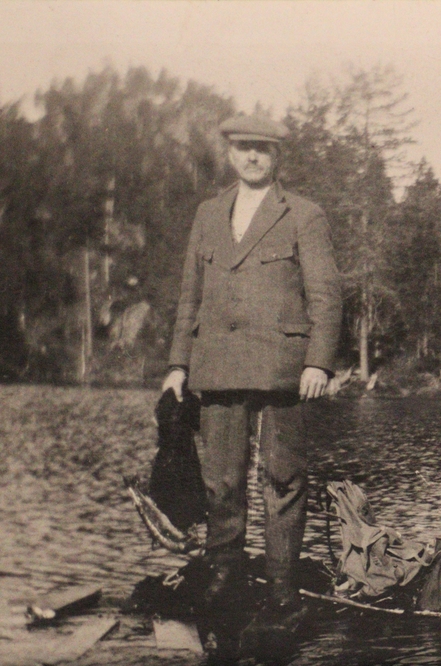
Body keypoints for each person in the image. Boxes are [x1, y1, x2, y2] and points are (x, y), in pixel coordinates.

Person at [161, 114, 342, 638]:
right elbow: (189, 296)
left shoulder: (304, 214)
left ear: (277, 156)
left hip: (282, 369)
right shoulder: (208, 213)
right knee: (222, 480)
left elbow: (327, 295)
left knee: (282, 480)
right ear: (230, 154)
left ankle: (283, 596)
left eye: (263, 149)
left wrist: (318, 361)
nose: (253, 158)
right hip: (216, 365)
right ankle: (224, 581)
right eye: (243, 149)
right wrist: (178, 365)